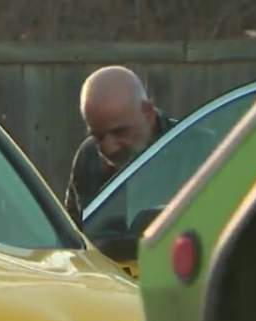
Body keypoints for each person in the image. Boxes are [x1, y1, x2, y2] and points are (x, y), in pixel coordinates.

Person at [64, 65, 177, 227]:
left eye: (120, 132)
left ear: (148, 113)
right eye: (98, 136)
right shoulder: (87, 156)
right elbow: (72, 232)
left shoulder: (196, 151)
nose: (109, 148)